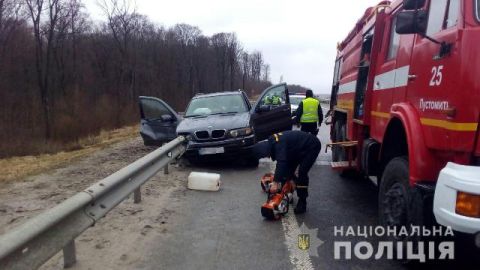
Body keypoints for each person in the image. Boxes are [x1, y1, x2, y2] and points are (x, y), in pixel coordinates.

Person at [253, 130, 321, 214]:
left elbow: (281, 162)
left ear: (266, 150)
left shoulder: (278, 144)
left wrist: (275, 182)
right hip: (296, 149)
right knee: (288, 172)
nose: (267, 157)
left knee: (302, 172)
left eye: (266, 155)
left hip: (311, 146)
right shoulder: (273, 142)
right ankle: (292, 188)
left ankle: (302, 202)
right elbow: (284, 165)